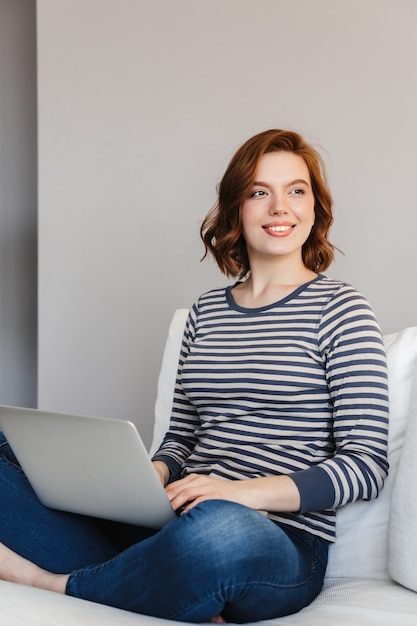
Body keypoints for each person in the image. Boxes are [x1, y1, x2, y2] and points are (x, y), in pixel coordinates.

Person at [0, 129, 389, 623]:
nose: (279, 207)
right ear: (237, 208)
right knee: (8, 444)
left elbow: (366, 465)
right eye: (258, 192)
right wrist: (153, 475)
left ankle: (51, 582)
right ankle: (153, 580)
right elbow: (182, 438)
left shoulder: (342, 309)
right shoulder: (204, 313)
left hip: (274, 540)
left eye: (296, 190)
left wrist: (238, 493)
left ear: (315, 208)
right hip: (172, 523)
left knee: (219, 530)